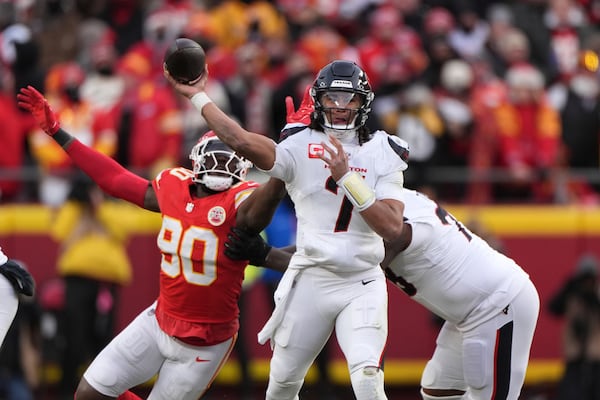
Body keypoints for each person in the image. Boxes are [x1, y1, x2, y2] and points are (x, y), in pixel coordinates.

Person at [16, 86, 287, 400]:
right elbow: (114, 179)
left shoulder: (242, 201)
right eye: (213, 155)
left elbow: (266, 202)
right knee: (89, 394)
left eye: (226, 157)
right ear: (195, 161)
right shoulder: (174, 185)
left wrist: (284, 165)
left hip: (206, 341)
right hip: (159, 320)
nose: (219, 163)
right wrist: (57, 132)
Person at [166, 59, 409, 400]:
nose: (340, 108)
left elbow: (392, 227)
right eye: (332, 99)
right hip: (310, 277)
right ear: (318, 100)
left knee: (368, 381)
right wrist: (198, 96)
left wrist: (347, 179)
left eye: (348, 99)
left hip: (362, 280)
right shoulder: (298, 143)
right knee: (281, 385)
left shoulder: (383, 150)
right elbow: (240, 140)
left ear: (362, 102)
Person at [226, 187, 540, 400]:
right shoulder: (376, 200)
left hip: (498, 305)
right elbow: (329, 250)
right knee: (438, 389)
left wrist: (268, 256)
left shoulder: (392, 222)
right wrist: (266, 254)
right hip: (466, 315)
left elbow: (346, 265)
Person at [548, 253, 600, 400]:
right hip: (574, 360)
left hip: (596, 360)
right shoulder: (572, 296)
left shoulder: (597, 295)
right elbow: (552, 308)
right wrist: (568, 288)